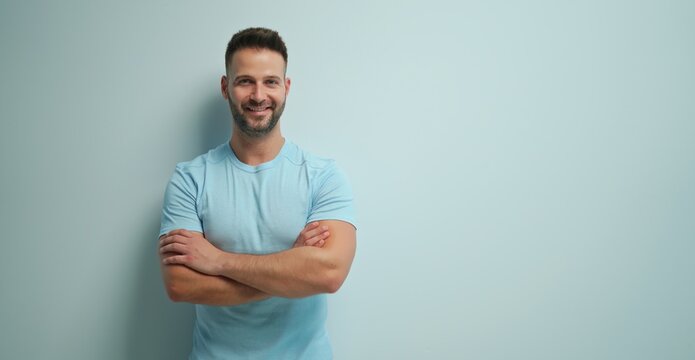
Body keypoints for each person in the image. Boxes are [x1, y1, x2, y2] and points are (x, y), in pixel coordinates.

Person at [157, 27, 357, 359]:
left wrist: (217, 261)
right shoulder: (189, 179)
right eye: (245, 81)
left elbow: (328, 274)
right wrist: (291, 270)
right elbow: (180, 285)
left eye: (270, 81)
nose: (258, 95)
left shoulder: (323, 176)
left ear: (286, 88)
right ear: (226, 87)